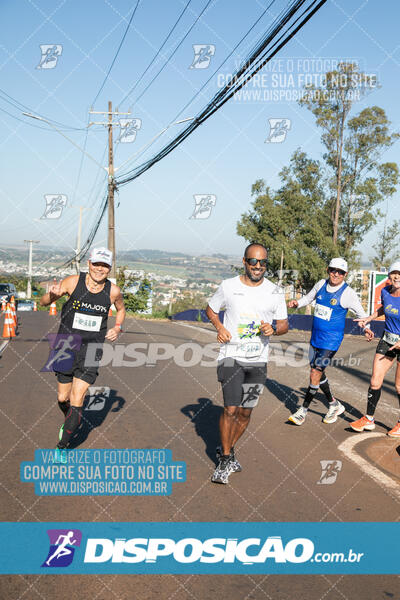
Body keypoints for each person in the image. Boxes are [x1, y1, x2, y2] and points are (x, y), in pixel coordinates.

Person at [206, 243, 289, 484]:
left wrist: (273, 328)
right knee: (230, 409)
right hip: (231, 357)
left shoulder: (275, 291)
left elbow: (284, 325)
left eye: (263, 263)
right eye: (253, 262)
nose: (258, 266)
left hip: (258, 362)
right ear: (244, 261)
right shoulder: (228, 286)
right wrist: (220, 327)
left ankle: (227, 450)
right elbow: (210, 310)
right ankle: (225, 459)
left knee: (245, 412)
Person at [40, 247, 125, 459]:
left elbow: (121, 309)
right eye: (96, 264)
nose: (99, 269)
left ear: (109, 268)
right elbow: (43, 302)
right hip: (65, 344)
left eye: (104, 266)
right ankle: (70, 418)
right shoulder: (72, 282)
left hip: (92, 348)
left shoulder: (113, 291)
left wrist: (117, 327)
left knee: (78, 397)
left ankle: (62, 446)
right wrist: (51, 295)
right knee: (62, 398)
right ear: (89, 263)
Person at [287, 258, 373, 426]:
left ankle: (302, 411)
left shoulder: (348, 293)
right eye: (333, 270)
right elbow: (308, 298)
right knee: (318, 372)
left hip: (331, 341)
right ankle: (334, 405)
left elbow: (361, 314)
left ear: (345, 274)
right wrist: (297, 303)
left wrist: (367, 328)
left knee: (315, 372)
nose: (336, 274)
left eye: (340, 272)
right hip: (315, 337)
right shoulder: (320, 284)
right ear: (328, 270)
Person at [351, 260, 400, 437]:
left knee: (399, 386)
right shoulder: (386, 292)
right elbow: (383, 309)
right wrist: (369, 318)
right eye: (394, 273)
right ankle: (369, 419)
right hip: (387, 340)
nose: (397, 277)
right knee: (375, 381)